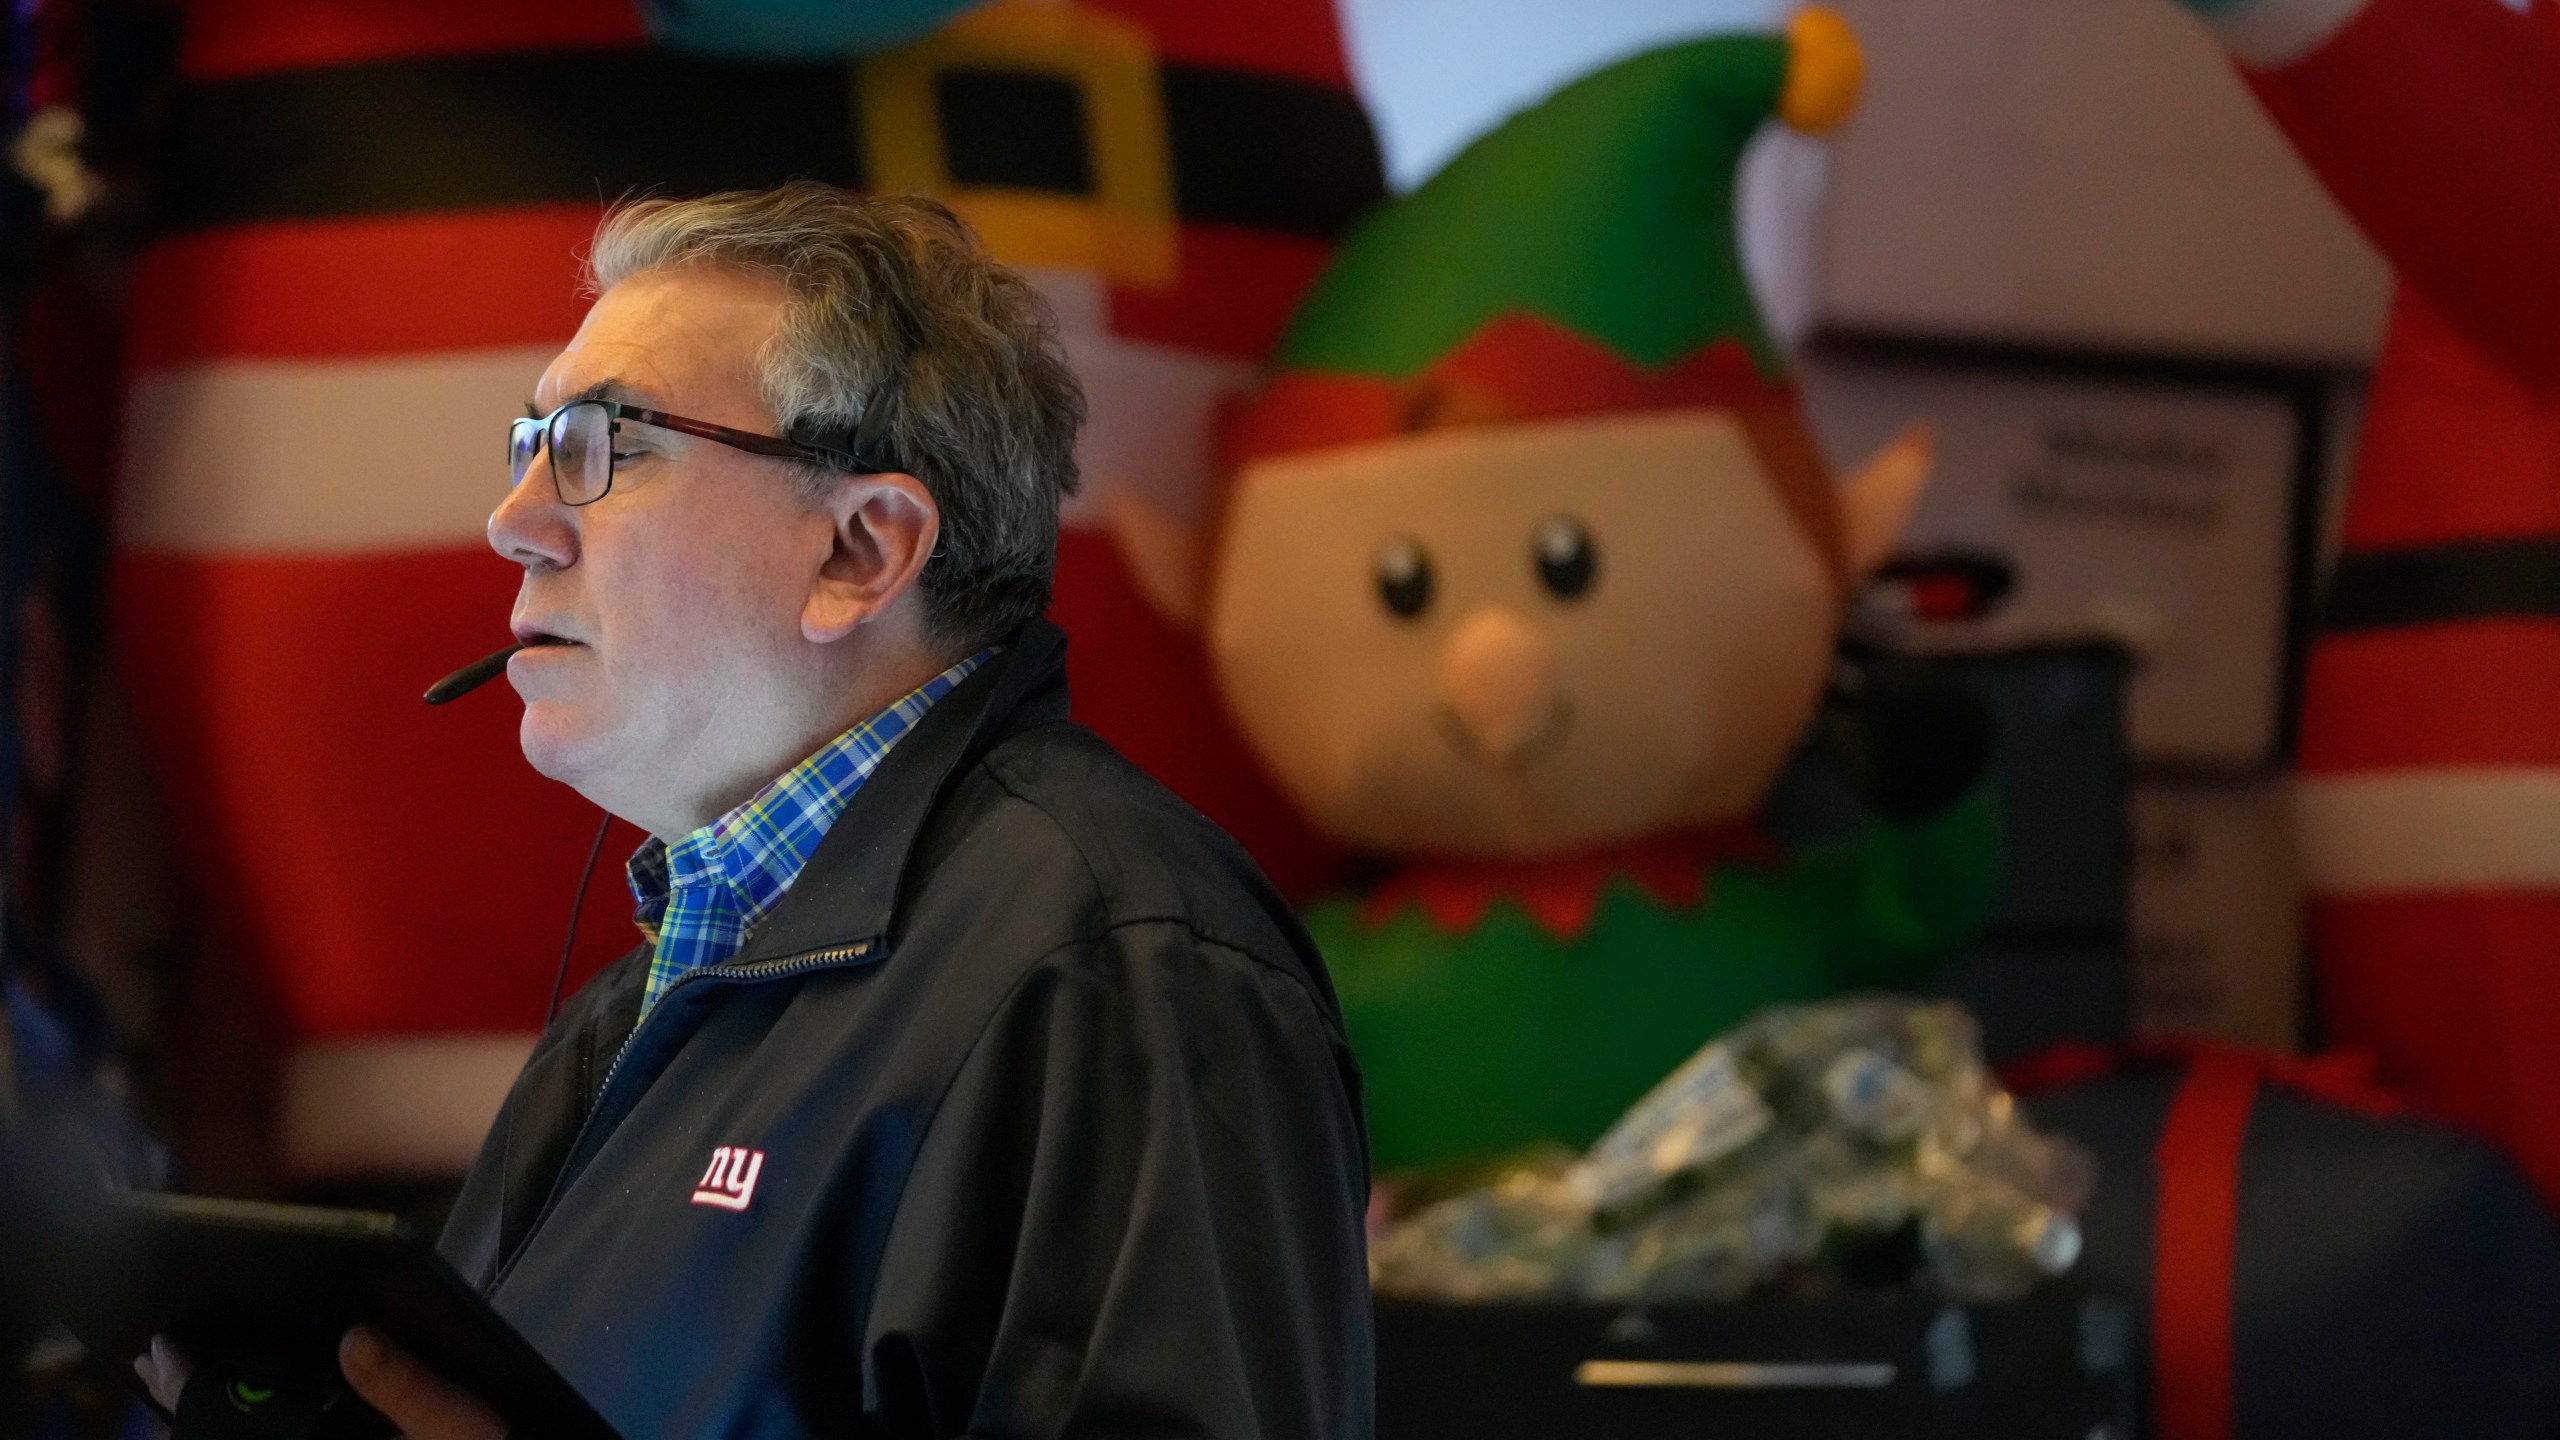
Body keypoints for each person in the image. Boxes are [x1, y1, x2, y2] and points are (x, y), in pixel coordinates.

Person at [140, 184, 1374, 1438]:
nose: (514, 525)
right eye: (529, 447)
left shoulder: (1120, 970)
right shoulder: (634, 1009)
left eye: (600, 447)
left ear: (860, 553)